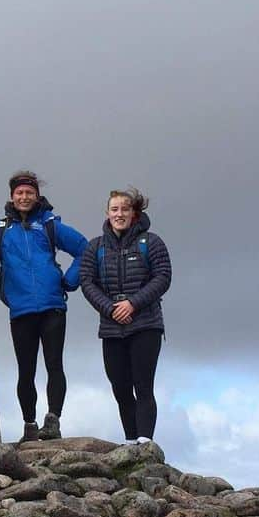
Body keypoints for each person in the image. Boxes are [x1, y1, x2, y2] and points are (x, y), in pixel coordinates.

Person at [0, 171, 87, 442]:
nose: (24, 197)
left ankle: (53, 421)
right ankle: (29, 424)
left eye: (29, 193)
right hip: (21, 309)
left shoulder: (50, 225)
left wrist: (68, 281)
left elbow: (85, 250)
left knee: (54, 365)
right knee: (25, 370)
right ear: (12, 197)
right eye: (20, 193)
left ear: (37, 196)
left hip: (52, 306)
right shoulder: (2, 228)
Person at [79, 187, 172, 444]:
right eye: (114, 209)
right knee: (120, 388)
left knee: (143, 386)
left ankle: (145, 443)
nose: (119, 214)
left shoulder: (151, 242)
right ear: (107, 213)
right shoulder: (95, 247)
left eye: (125, 209)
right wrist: (110, 308)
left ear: (134, 213)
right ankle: (130, 442)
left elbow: (163, 277)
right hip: (111, 328)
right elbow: (87, 282)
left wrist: (132, 303)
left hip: (146, 324)